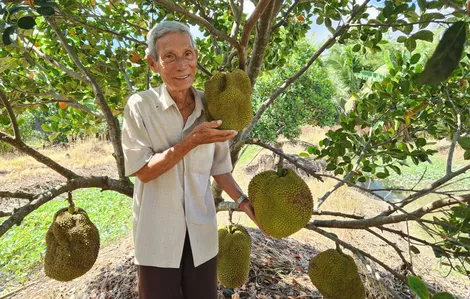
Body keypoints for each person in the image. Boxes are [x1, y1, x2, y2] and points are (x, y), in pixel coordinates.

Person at [121, 20, 261, 299]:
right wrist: (189, 143)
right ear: (153, 63)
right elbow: (143, 172)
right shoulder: (140, 106)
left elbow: (219, 168)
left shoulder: (210, 105)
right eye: (169, 56)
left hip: (201, 236)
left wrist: (245, 203)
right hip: (157, 239)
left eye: (187, 54)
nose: (181, 64)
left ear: (196, 57)